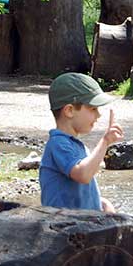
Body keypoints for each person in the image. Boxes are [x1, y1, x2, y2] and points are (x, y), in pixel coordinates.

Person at [40, 72, 123, 213]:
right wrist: (105, 142)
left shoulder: (76, 145)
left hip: (80, 224)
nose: (98, 115)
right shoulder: (58, 144)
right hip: (62, 228)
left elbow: (81, 191)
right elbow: (83, 175)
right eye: (93, 109)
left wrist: (101, 203)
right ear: (70, 110)